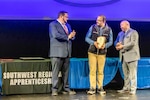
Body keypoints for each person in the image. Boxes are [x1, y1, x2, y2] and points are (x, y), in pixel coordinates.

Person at [49, 11, 76, 96]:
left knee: (66, 72)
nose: (67, 18)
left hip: (67, 52)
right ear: (61, 16)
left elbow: (71, 37)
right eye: (66, 17)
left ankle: (66, 88)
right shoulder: (53, 24)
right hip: (57, 53)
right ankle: (54, 89)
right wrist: (68, 37)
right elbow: (55, 35)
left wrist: (72, 36)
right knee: (55, 72)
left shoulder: (68, 25)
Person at [85, 15, 113, 95]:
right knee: (92, 70)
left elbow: (111, 41)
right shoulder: (92, 27)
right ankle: (92, 88)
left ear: (103, 21)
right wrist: (93, 43)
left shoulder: (109, 29)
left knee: (100, 71)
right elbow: (86, 38)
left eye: (99, 20)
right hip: (92, 52)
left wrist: (105, 45)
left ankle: (100, 87)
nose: (97, 21)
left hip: (102, 53)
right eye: (97, 20)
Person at [114, 20, 140, 95]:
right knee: (125, 74)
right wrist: (117, 44)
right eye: (120, 25)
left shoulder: (133, 32)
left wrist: (122, 46)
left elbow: (133, 43)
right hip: (123, 56)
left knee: (132, 74)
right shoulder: (120, 33)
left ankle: (133, 88)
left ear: (127, 25)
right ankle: (126, 88)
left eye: (122, 25)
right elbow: (116, 42)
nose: (121, 27)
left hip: (132, 56)